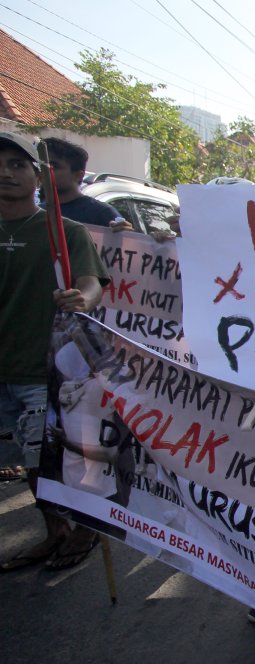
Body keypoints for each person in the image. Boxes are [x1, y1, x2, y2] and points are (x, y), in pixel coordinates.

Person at [0, 131, 109, 571]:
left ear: (37, 176)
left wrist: (82, 299)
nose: (6, 173)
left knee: (55, 458)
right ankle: (54, 532)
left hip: (42, 369)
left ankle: (84, 527)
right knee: (28, 466)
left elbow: (90, 282)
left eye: (17, 164)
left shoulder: (65, 232)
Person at [39, 137, 132, 231]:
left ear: (78, 175)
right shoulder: (37, 213)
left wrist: (126, 236)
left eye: (53, 167)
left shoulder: (102, 214)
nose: (44, 172)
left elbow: (122, 243)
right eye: (42, 166)